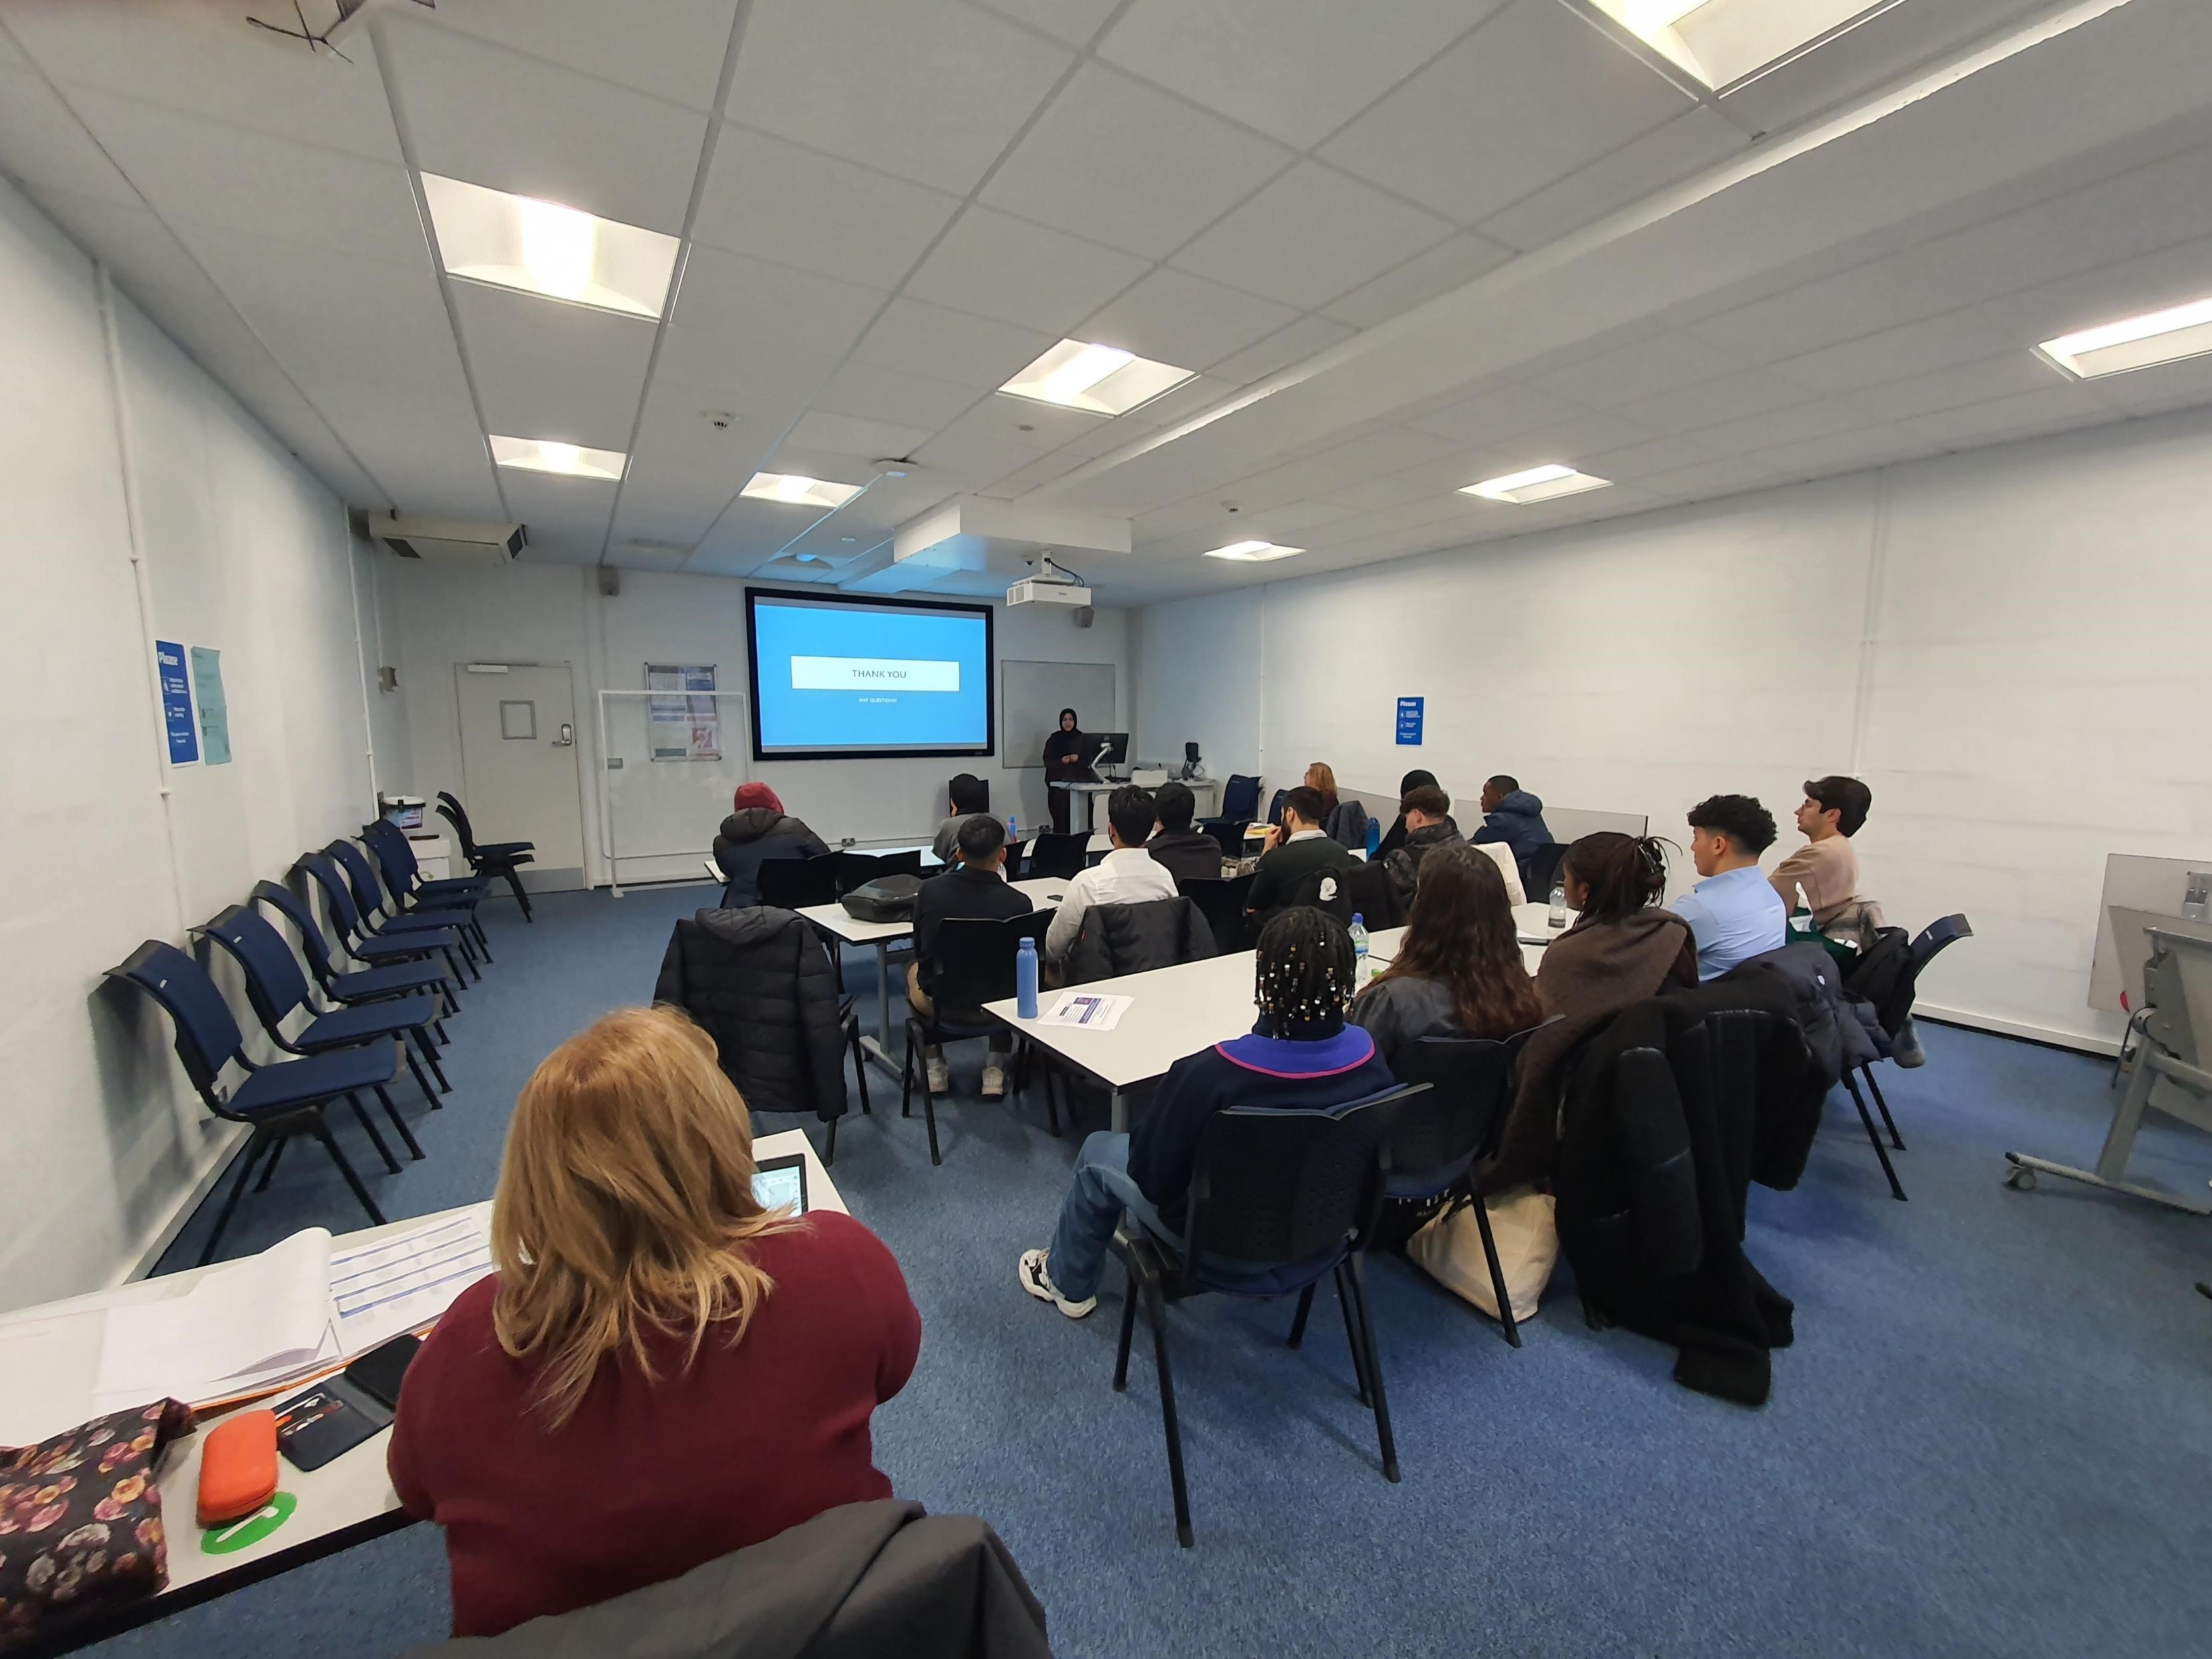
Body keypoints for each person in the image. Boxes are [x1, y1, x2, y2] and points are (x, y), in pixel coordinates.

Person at [388, 1007, 921, 1638]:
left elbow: (416, 1491)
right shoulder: (837, 1258)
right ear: (720, 1132)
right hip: (828, 1634)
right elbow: (892, 1371)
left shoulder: (474, 1340)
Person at [1018, 910, 1397, 1317]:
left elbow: (1154, 1180)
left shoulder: (1211, 1073)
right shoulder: (1369, 1054)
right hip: (1324, 1234)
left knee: (1097, 1151)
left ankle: (1066, 1282)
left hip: (1217, 1245)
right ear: (1346, 978)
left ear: (1263, 978)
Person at [1487, 833, 1696, 1191]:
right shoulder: (1671, 933)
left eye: (1566, 877)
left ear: (1583, 891)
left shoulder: (1572, 955)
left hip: (1584, 1093)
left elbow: (1542, 1042)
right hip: (1650, 1088)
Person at [1353, 844, 1543, 1068]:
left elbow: (1358, 1079)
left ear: (1426, 911)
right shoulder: (1522, 993)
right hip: (1494, 1103)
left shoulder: (1390, 1003)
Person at [911, 815, 1033, 1098]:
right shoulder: (1019, 902)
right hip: (1000, 1008)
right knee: (1003, 972)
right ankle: (995, 1069)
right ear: (1003, 854)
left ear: (959, 854)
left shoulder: (929, 892)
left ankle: (934, 1066)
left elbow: (922, 950)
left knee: (912, 970)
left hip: (943, 1004)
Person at [1044, 784, 1177, 963]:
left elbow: (1053, 949)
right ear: (1150, 830)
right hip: (1153, 974)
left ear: (1111, 829)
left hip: (1097, 980)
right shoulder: (1165, 879)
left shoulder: (1087, 884)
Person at [1672, 794, 1789, 980]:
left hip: (1695, 1005)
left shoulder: (1700, 909)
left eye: (1696, 838)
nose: (1693, 847)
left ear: (1718, 845)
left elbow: (1643, 959)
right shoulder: (1771, 896)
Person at [1245, 785, 1358, 929]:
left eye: (1282, 814)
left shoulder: (1276, 858)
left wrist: (1267, 852)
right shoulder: (1342, 853)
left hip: (1285, 934)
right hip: (1331, 932)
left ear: (1290, 814)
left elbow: (1253, 903)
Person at [1769, 775, 1871, 926]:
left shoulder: (1821, 854)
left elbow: (1762, 902)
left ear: (1832, 815)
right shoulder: (1840, 849)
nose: (1798, 811)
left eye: (1808, 805)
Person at [712, 782, 830, 908]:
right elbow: (826, 858)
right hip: (796, 911)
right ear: (773, 801)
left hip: (743, 913)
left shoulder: (722, 842)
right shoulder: (794, 828)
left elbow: (728, 872)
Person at [1379, 783, 1466, 913]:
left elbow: (1384, 898)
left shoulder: (1402, 858)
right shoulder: (1462, 845)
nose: (1406, 824)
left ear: (1418, 816)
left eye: (1407, 817)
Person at [1146, 780, 1223, 884]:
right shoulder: (1213, 846)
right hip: (1207, 901)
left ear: (1157, 816)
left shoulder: (1151, 853)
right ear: (1192, 813)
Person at [1471, 776, 1553, 871]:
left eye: (1485, 794)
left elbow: (1476, 844)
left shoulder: (1502, 820)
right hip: (1543, 872)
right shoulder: (1531, 813)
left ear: (1499, 797)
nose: (1481, 798)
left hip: (1522, 873)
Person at [1375, 768, 1442, 857]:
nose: (1406, 824)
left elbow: (1380, 859)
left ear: (1417, 815)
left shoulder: (1407, 853)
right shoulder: (1451, 829)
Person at [1042, 707, 1088, 835]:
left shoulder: (1082, 738)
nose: (1068, 723)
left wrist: (1078, 758)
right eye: (1065, 720)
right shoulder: (1054, 740)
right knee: (1061, 822)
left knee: (1082, 821)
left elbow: (1088, 761)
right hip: (1059, 791)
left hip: (1079, 788)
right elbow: (1047, 761)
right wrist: (1061, 761)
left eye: (1071, 719)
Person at [931, 772, 993, 864]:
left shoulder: (948, 826)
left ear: (954, 803)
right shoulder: (1000, 823)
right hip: (997, 877)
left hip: (960, 877)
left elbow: (941, 855)